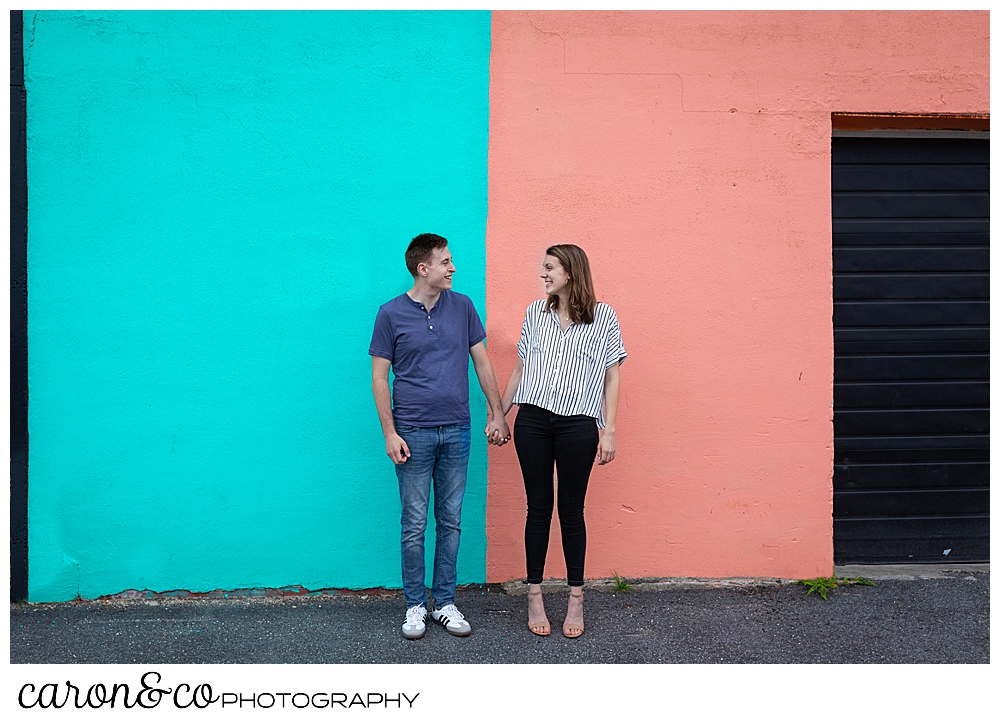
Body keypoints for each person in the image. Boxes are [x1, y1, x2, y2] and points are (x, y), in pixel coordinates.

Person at [370, 233, 510, 640]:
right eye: (445, 261)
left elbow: (482, 363)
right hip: (412, 433)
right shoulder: (390, 314)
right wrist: (389, 433)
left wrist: (497, 412)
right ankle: (416, 605)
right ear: (422, 268)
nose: (452, 268)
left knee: (450, 522)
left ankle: (445, 602)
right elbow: (380, 378)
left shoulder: (463, 307)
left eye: (451, 261)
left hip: (457, 430)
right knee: (414, 524)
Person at [499, 244, 626, 638]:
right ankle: (534, 594)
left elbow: (612, 377)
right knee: (537, 508)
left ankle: (575, 599)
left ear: (570, 272)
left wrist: (609, 430)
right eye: (543, 267)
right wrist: (498, 414)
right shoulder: (535, 313)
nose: (544, 274)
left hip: (579, 426)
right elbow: (521, 369)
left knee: (571, 511)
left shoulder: (604, 317)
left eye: (550, 267)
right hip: (533, 420)